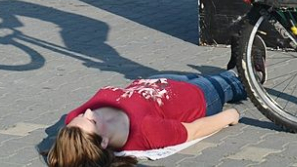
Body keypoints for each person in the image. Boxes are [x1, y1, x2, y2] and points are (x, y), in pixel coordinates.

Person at [45, 70, 245, 167]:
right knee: (232, 79)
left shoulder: (74, 122)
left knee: (205, 73)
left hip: (157, 81)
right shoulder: (145, 132)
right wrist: (229, 116)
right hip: (200, 97)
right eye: (92, 122)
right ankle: (250, 69)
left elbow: (70, 146)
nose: (87, 112)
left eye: (81, 115)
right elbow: (193, 130)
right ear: (104, 142)